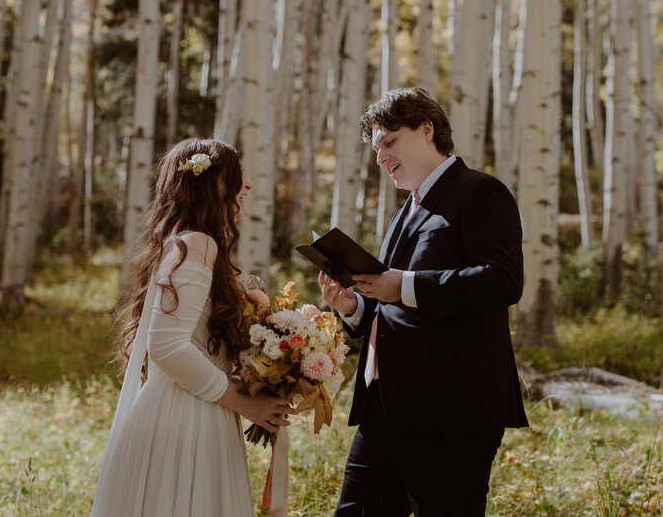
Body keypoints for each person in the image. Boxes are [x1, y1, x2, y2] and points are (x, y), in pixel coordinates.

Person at [320, 87, 528, 516]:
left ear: (427, 130)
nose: (380, 158)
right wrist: (352, 308)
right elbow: (393, 302)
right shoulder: (404, 213)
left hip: (452, 412)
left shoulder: (480, 192)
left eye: (389, 142)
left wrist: (406, 285)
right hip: (384, 408)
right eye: (376, 149)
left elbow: (502, 280)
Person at [91, 138, 295, 517]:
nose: (246, 185)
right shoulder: (197, 244)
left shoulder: (185, 242)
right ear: (213, 184)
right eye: (237, 175)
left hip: (196, 406)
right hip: (189, 418)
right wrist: (245, 402)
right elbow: (167, 346)